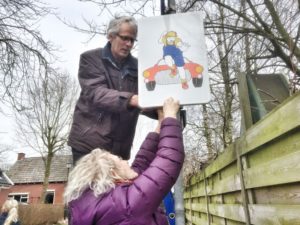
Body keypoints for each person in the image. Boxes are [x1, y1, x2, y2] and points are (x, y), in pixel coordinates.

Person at [64, 97, 184, 225]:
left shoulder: (102, 201)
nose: (126, 162)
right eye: (120, 160)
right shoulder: (125, 206)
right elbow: (168, 160)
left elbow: (141, 167)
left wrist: (161, 122)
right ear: (114, 174)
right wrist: (170, 115)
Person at [68, 15, 155, 163]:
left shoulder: (139, 67)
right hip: (88, 146)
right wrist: (132, 99)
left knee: (116, 187)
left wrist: (165, 110)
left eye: (132, 40)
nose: (128, 44)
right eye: (124, 38)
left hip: (119, 150)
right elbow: (96, 93)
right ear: (111, 36)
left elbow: (146, 100)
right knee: (86, 187)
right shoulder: (90, 59)